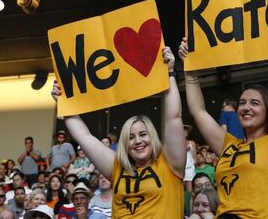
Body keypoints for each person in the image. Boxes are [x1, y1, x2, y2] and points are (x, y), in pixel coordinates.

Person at [179, 7, 268, 218]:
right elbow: (198, 111)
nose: (245, 107)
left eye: (254, 103)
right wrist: (190, 69)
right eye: (242, 103)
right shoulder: (228, 145)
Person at [51, 47, 186, 218]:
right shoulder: (117, 168)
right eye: (130, 137)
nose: (138, 141)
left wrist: (170, 73)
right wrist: (65, 102)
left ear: (153, 137)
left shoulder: (170, 164)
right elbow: (84, 137)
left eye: (143, 134)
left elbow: (173, 118)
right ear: (124, 145)